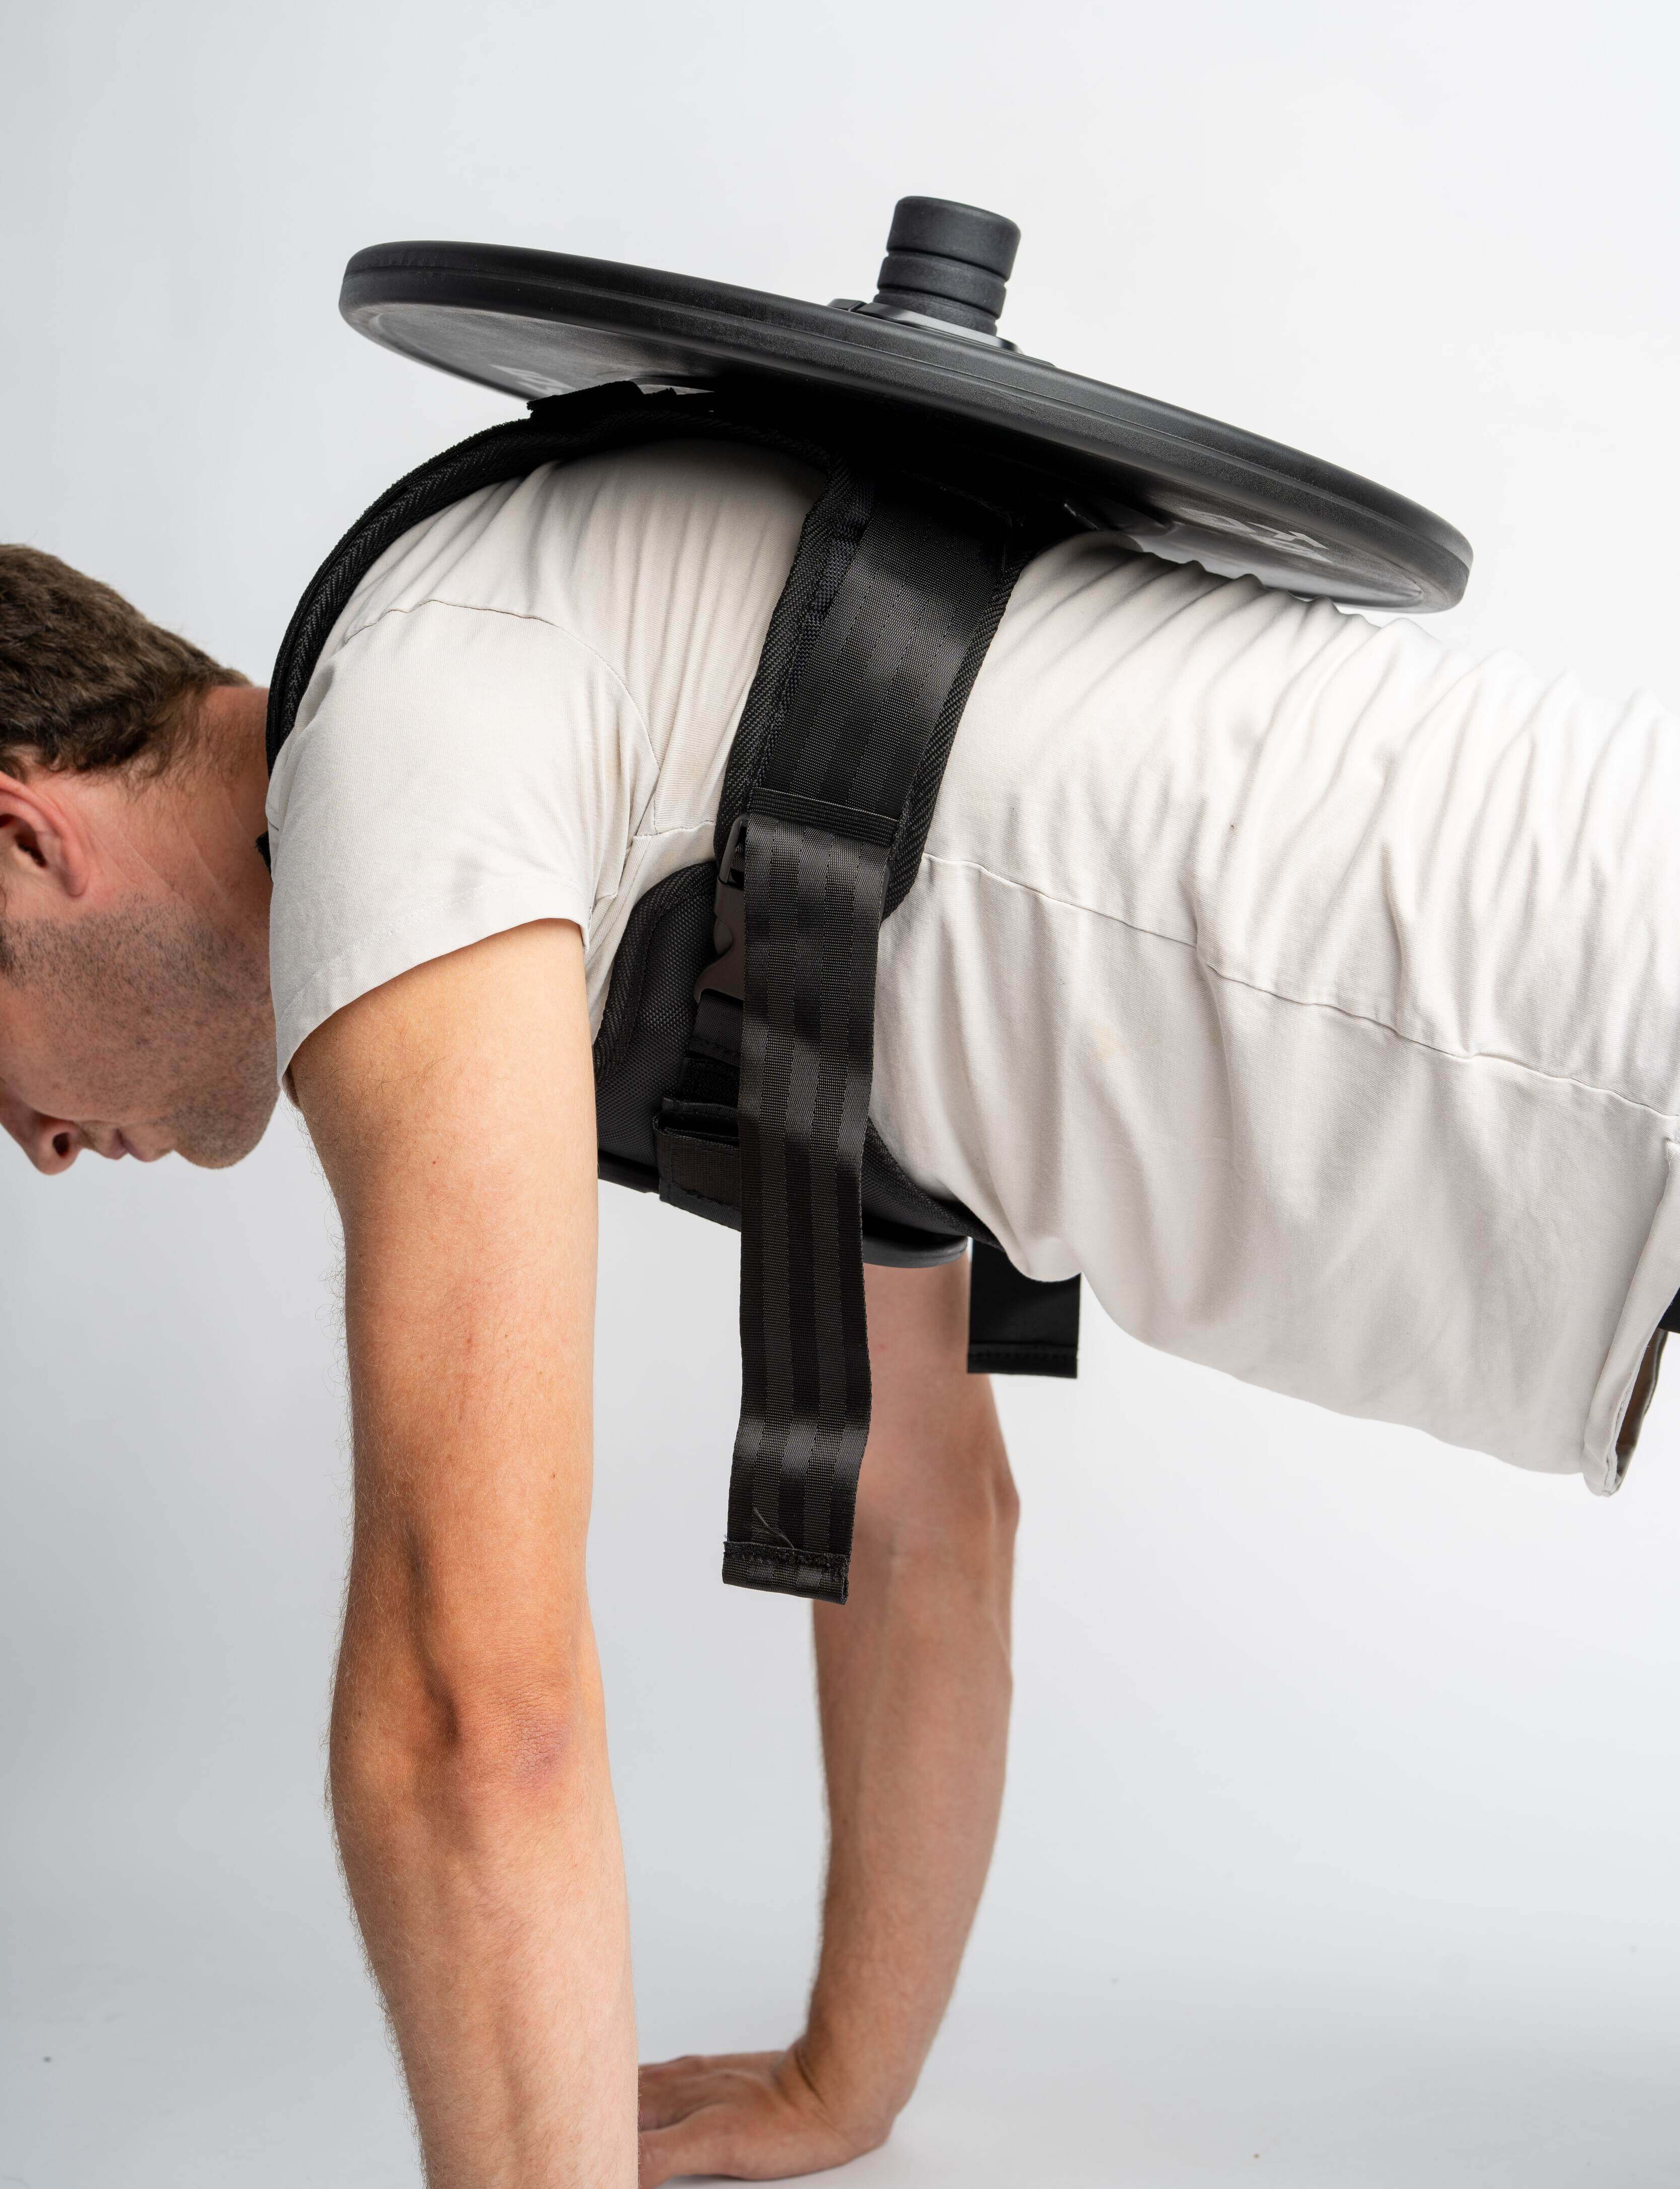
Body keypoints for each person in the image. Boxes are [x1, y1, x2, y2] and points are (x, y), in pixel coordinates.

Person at [4, 427, 1679, 2186]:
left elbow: (465, 1723)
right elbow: (916, 1517)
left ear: (28, 839)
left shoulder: (402, 756)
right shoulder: (648, 743)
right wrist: (842, 2082)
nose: (38, 1146)